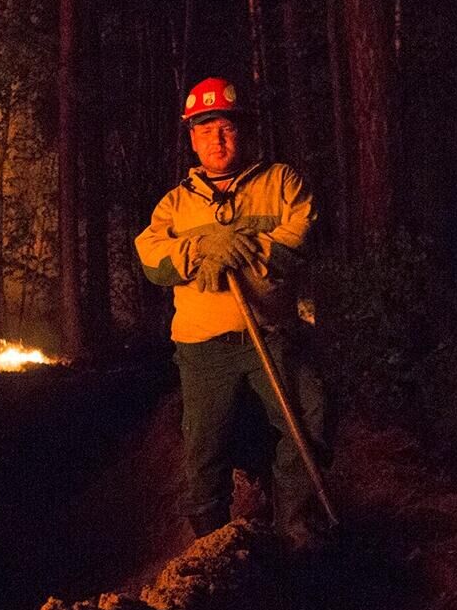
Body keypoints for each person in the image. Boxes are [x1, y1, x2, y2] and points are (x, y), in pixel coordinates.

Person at [134, 76, 330, 549]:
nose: (216, 140)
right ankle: (214, 547)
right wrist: (201, 248)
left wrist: (247, 249)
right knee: (205, 449)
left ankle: (297, 529)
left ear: (242, 131)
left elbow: (302, 233)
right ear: (192, 138)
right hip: (203, 348)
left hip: (271, 331)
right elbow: (150, 258)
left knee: (311, 419)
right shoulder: (176, 204)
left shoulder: (281, 182)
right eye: (204, 131)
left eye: (225, 128)